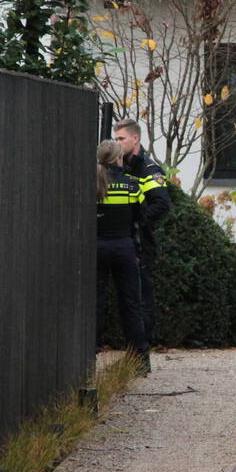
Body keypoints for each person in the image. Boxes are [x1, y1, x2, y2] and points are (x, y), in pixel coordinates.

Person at [112, 119, 171, 345]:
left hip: (140, 242)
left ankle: (144, 345)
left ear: (135, 139)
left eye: (121, 139)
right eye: (115, 139)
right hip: (122, 241)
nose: (117, 143)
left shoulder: (147, 169)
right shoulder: (121, 166)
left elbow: (161, 204)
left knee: (140, 296)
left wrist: (135, 221)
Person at [96, 139, 151, 374]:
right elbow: (142, 218)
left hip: (96, 248)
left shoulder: (93, 184)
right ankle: (139, 359)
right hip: (124, 248)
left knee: (95, 303)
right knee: (131, 304)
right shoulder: (131, 185)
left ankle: (89, 357)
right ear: (119, 158)